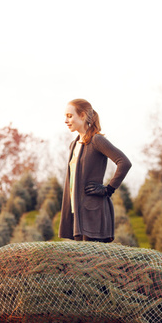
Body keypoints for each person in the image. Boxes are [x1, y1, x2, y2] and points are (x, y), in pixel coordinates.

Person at [59, 99, 132, 242]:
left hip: (93, 213)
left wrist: (108, 189)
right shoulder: (73, 145)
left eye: (69, 116)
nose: (66, 120)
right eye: (65, 116)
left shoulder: (96, 140)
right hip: (77, 214)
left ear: (82, 115)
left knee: (93, 262)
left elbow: (124, 162)